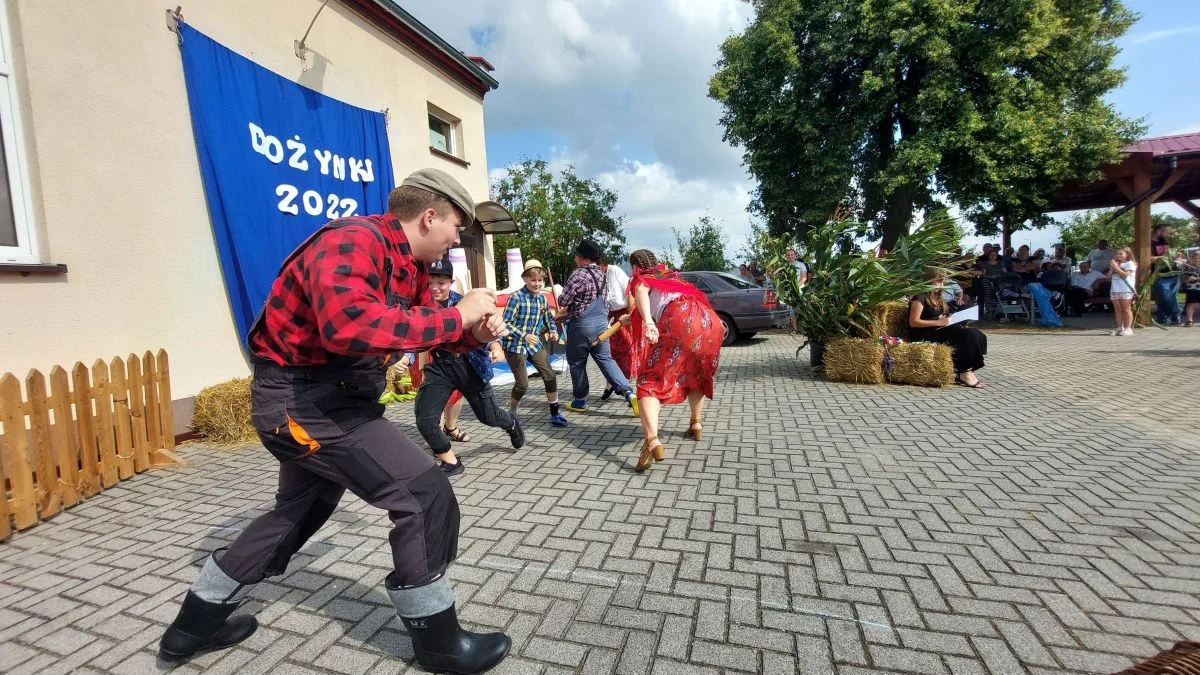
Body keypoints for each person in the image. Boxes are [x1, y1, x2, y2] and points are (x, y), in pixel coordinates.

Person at [157, 169, 513, 674]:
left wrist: (474, 331)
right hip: (302, 404)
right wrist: (457, 316)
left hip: (334, 401)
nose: (459, 239)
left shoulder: (407, 266)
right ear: (429, 216)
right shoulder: (352, 242)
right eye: (457, 226)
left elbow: (410, 333)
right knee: (422, 495)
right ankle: (438, 643)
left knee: (297, 515)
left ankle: (192, 628)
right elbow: (350, 329)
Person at [412, 256, 525, 476]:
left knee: (488, 417)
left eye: (441, 283)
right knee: (425, 419)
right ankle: (451, 461)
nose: (435, 288)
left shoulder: (465, 302)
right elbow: (412, 335)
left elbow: (486, 329)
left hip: (470, 366)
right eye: (430, 282)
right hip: (441, 368)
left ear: (451, 282)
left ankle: (511, 423)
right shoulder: (421, 306)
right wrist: (406, 358)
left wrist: (496, 347)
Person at [625, 249, 723, 471]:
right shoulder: (672, 276)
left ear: (635, 267)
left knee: (649, 380)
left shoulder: (643, 277)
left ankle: (652, 440)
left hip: (680, 319)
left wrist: (649, 323)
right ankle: (696, 423)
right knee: (697, 373)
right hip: (709, 320)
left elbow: (640, 289)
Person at [556, 239, 638, 414]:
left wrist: (567, 309)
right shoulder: (603, 274)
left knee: (577, 363)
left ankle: (580, 401)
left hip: (581, 327)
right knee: (606, 360)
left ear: (585, 259)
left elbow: (563, 300)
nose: (575, 258)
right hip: (602, 326)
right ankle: (629, 393)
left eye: (578, 255)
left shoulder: (578, 275)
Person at [501, 259, 567, 426]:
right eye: (533, 280)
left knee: (550, 376)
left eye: (540, 280)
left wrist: (552, 331)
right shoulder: (516, 297)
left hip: (534, 344)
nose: (537, 284)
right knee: (522, 384)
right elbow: (505, 323)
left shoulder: (542, 299)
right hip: (514, 345)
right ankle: (512, 412)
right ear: (525, 279)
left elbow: (549, 320)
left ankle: (555, 413)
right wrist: (524, 335)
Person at [908, 267, 988, 388]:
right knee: (968, 336)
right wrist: (939, 322)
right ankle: (964, 372)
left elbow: (936, 316)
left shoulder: (938, 298)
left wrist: (947, 318)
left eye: (943, 281)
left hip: (939, 330)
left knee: (975, 333)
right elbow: (913, 322)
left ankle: (967, 369)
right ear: (929, 281)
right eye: (938, 281)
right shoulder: (919, 298)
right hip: (925, 334)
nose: (942, 284)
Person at [1150, 224, 1182, 325]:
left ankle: (1165, 317)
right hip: (1159, 273)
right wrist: (1164, 257)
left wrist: (1177, 255)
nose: (1169, 234)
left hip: (1174, 271)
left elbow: (1175, 254)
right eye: (1167, 232)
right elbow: (1148, 258)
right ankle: (1175, 312)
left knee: (1171, 295)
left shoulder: (1167, 242)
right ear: (1159, 231)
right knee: (1164, 295)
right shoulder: (1149, 243)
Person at [1109, 247, 1137, 336]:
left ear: (1127, 254)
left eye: (1121, 253)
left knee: (1126, 309)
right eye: (1116, 254)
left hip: (1126, 290)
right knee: (1117, 309)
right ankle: (1119, 327)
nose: (1118, 255)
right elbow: (1108, 276)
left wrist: (1116, 267)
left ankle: (1128, 328)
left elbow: (1125, 275)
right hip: (1114, 289)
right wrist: (1111, 268)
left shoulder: (1130, 264)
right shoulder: (1116, 264)